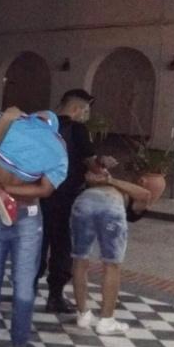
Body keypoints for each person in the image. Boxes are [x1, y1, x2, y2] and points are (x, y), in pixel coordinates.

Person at [0, 109, 67, 347]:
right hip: (28, 215)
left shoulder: (10, 119)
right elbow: (45, 190)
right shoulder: (57, 147)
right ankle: (20, 344)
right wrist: (9, 189)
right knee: (24, 282)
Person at [38, 89, 117, 313]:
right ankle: (55, 297)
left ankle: (26, 291)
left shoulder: (41, 125)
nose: (87, 116)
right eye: (86, 111)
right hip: (66, 197)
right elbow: (92, 164)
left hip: (38, 194)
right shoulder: (78, 129)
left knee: (36, 245)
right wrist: (102, 162)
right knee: (62, 246)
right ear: (76, 109)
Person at [70, 169, 151, 335]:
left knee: (79, 260)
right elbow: (145, 195)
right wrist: (111, 180)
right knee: (112, 264)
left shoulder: (106, 188)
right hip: (109, 206)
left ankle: (83, 314)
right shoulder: (119, 192)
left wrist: (108, 180)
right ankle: (106, 320)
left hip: (82, 203)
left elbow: (144, 195)